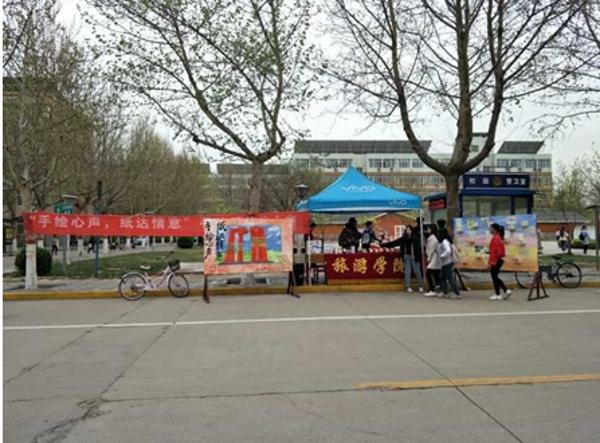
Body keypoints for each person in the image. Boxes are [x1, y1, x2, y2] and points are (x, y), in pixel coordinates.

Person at [381, 225, 424, 293]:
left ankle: (421, 286)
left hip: (415, 257)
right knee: (407, 272)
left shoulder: (416, 238)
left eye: (409, 230)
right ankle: (408, 286)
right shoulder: (403, 238)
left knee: (417, 271)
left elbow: (419, 248)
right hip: (407, 257)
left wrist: (418, 257)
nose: (408, 231)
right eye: (407, 230)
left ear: (412, 230)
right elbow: (394, 243)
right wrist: (383, 245)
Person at [488, 223, 512, 301]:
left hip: (496, 260)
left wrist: (493, 261)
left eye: (491, 228)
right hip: (496, 260)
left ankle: (504, 291)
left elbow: (499, 252)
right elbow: (495, 251)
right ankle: (499, 293)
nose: (490, 230)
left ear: (495, 230)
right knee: (494, 277)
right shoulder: (497, 238)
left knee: (494, 277)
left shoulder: (497, 238)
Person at [438, 229, 460, 299]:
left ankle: (457, 294)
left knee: (450, 278)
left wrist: (441, 255)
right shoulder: (443, 241)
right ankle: (445, 292)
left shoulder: (444, 241)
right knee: (442, 277)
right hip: (444, 263)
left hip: (447, 262)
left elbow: (448, 251)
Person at [424, 224, 441, 297]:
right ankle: (438, 290)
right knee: (436, 275)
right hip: (435, 258)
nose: (427, 230)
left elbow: (431, 250)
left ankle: (432, 290)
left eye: (428, 228)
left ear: (431, 229)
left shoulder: (432, 239)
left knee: (428, 273)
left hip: (434, 258)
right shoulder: (432, 238)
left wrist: (428, 258)